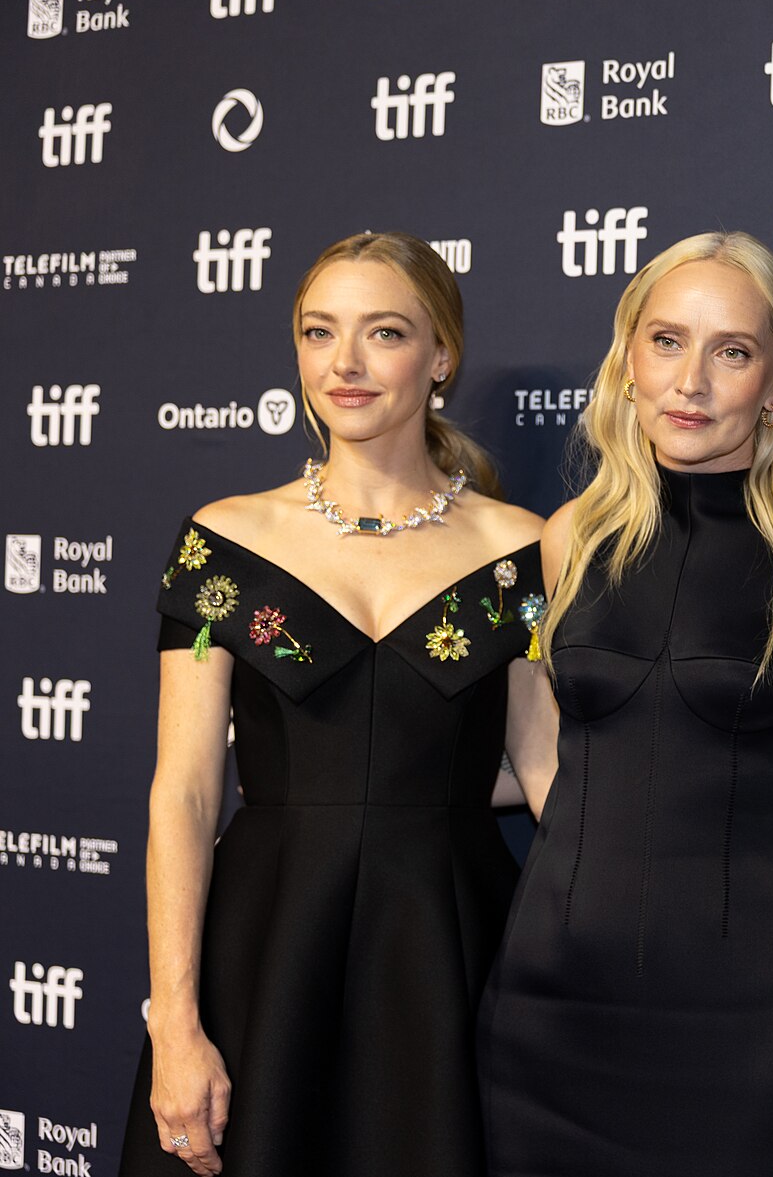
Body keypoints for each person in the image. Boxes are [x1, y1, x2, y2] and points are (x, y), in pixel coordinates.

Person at [124, 232, 551, 1177]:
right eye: (321, 333)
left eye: (384, 332)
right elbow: (185, 796)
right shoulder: (223, 543)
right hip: (268, 949)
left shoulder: (520, 551)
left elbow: (546, 770)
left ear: (442, 356)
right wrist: (177, 1024)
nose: (345, 364)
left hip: (448, 951)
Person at [476, 232, 773, 1177]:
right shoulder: (568, 539)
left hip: (745, 1013)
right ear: (627, 359)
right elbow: (550, 757)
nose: (691, 380)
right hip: (552, 999)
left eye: (732, 351)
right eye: (666, 341)